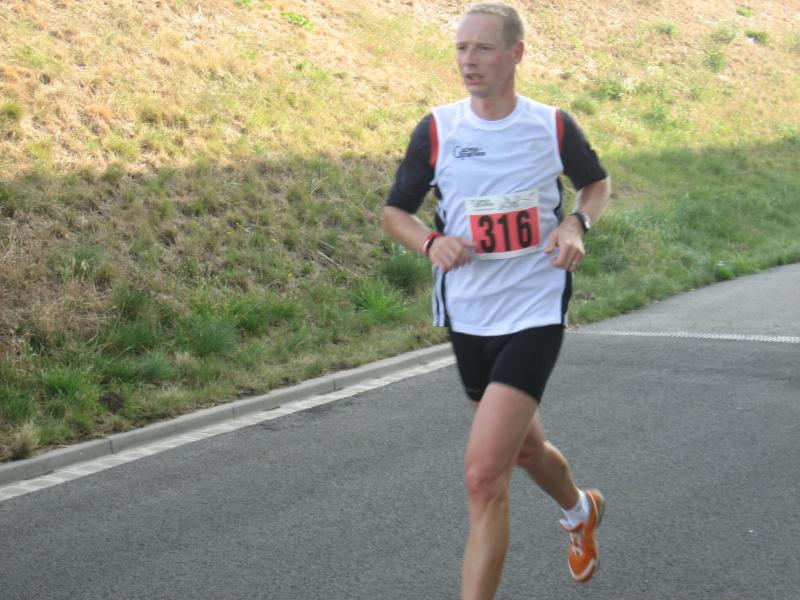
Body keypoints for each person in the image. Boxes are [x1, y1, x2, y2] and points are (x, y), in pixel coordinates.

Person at [382, 3, 613, 598]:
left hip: (535, 305)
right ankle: (580, 509)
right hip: (468, 312)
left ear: (516, 53)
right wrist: (430, 242)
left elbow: (595, 184)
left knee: (484, 477)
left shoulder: (550, 126)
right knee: (527, 449)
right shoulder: (439, 129)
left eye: (483, 47)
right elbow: (395, 213)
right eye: (462, 47)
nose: (469, 60)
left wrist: (575, 224)